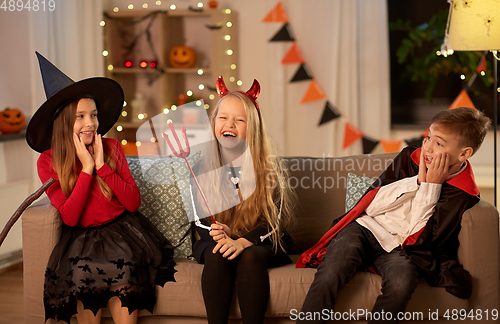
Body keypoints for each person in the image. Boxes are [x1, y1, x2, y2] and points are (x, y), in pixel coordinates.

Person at [296, 107, 491, 324]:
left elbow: (420, 238)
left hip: (401, 247)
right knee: (333, 268)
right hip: (366, 228)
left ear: (464, 153)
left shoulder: (463, 193)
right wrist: (417, 181)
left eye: (439, 143)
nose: (427, 148)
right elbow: (371, 204)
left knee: (402, 283)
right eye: (428, 137)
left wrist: (431, 187)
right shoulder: (409, 157)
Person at [26, 52, 176, 324]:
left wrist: (102, 166)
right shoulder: (47, 161)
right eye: (81, 116)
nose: (91, 123)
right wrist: (86, 169)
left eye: (93, 115)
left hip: (122, 231)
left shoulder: (112, 148)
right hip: (82, 238)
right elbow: (70, 217)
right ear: (63, 121)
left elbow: (132, 203)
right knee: (83, 275)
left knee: (126, 268)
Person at [192, 76, 295, 324]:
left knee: (249, 256)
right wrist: (222, 234)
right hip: (216, 240)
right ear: (214, 122)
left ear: (253, 127)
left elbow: (274, 222)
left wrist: (243, 242)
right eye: (223, 117)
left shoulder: (269, 168)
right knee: (218, 253)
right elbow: (199, 219)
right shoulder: (201, 167)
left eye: (240, 120)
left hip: (261, 242)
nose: (231, 124)